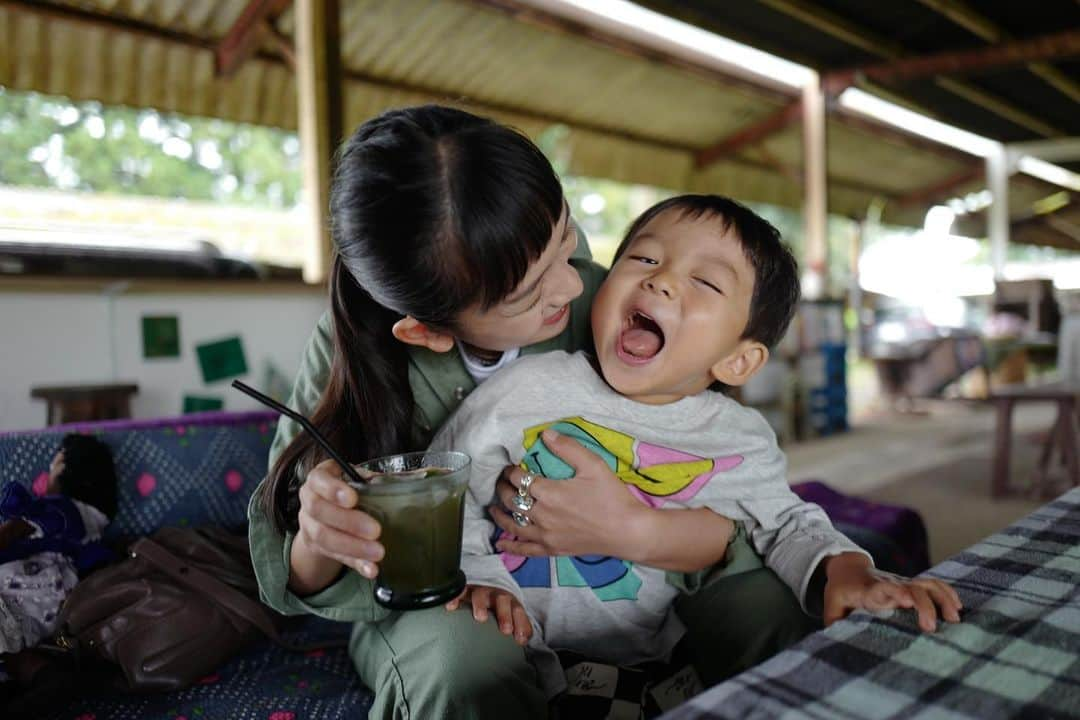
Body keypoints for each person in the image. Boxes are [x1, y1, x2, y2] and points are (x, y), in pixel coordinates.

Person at [248, 105, 807, 719]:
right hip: (454, 596)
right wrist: (323, 537)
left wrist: (635, 530)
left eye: (565, 242)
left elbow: (722, 477)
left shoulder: (615, 301)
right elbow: (295, 575)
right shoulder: (349, 352)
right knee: (465, 664)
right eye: (529, 293)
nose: (573, 288)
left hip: (650, 569)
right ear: (430, 333)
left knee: (772, 610)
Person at [432, 194, 964, 697]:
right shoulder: (523, 391)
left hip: (657, 658)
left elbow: (783, 522)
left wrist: (848, 569)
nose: (661, 281)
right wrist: (479, 576)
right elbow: (445, 490)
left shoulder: (737, 439)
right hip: (521, 646)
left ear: (737, 361)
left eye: (706, 283)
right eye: (643, 258)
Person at [0, 433, 117, 697]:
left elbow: (19, 528)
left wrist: (13, 525)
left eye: (53, 467)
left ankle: (34, 671)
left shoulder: (61, 509)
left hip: (27, 588)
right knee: (15, 642)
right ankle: (37, 672)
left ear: (67, 469)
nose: (46, 477)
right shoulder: (95, 527)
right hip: (55, 615)